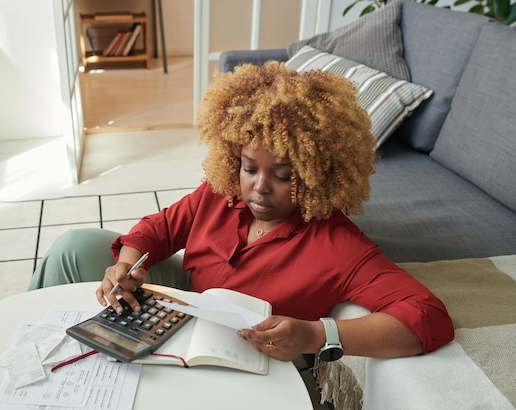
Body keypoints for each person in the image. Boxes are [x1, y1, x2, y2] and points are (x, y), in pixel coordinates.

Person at [29, 61, 454, 362]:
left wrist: (314, 334)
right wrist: (126, 266)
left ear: (317, 175)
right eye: (249, 167)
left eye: (283, 175)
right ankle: (30, 349)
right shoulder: (221, 192)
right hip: (183, 301)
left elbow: (428, 317)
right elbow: (157, 230)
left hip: (240, 349)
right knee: (73, 247)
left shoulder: (338, 246)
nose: (258, 186)